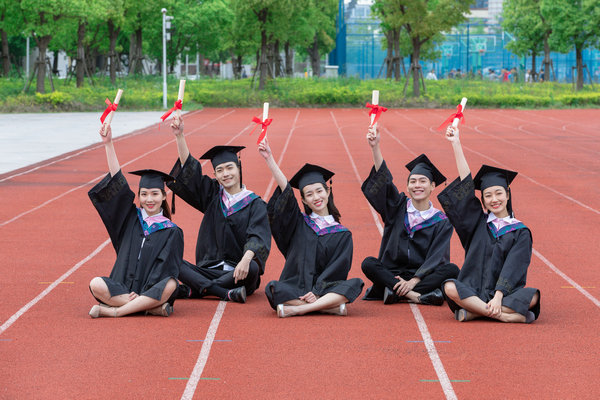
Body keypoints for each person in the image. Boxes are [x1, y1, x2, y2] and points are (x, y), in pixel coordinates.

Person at [438, 125, 540, 323]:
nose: (494, 199)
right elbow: (466, 188)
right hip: (473, 289)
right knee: (450, 287)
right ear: (482, 200)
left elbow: (515, 266)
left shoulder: (520, 232)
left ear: (508, 194)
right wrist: (456, 144)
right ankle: (505, 317)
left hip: (504, 295)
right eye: (488, 195)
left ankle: (476, 312)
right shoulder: (478, 223)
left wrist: (499, 294)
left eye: (499, 193)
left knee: (533, 297)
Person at [166, 115, 271, 303]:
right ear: (214, 174)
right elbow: (191, 175)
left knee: (253, 268)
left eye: (230, 168)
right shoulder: (213, 195)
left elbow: (258, 236)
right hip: (210, 267)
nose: (226, 174)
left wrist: (246, 260)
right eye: (220, 170)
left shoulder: (255, 204)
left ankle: (198, 288)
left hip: (239, 271)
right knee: (171, 259)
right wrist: (179, 136)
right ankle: (221, 292)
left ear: (238, 168)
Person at [258, 139, 364, 317]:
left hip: (325, 289)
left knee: (355, 284)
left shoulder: (342, 234)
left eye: (319, 191)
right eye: (309, 194)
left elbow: (338, 270)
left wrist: (317, 291)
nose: (316, 197)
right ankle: (328, 307)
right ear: (304, 201)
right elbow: (286, 194)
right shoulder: (299, 223)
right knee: (273, 288)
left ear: (327, 192)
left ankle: (300, 309)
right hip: (296, 286)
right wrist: (270, 159)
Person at [88, 124, 183, 318]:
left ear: (164, 196)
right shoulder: (131, 218)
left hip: (150, 289)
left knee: (172, 284)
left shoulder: (172, 231)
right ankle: (149, 308)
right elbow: (118, 182)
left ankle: (116, 312)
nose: (150, 199)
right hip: (123, 286)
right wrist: (108, 144)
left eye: (155, 194)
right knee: (95, 283)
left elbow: (166, 268)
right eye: (144, 194)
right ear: (138, 196)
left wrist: (146, 290)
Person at [360, 125, 459, 306]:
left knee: (452, 269)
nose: (417, 185)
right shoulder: (397, 207)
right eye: (412, 181)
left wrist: (414, 280)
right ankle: (415, 296)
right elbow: (385, 183)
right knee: (368, 263)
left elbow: (437, 256)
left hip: (421, 276)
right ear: (407, 187)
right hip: (392, 271)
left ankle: (394, 291)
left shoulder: (442, 222)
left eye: (423, 181)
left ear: (432, 186)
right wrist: (375, 147)